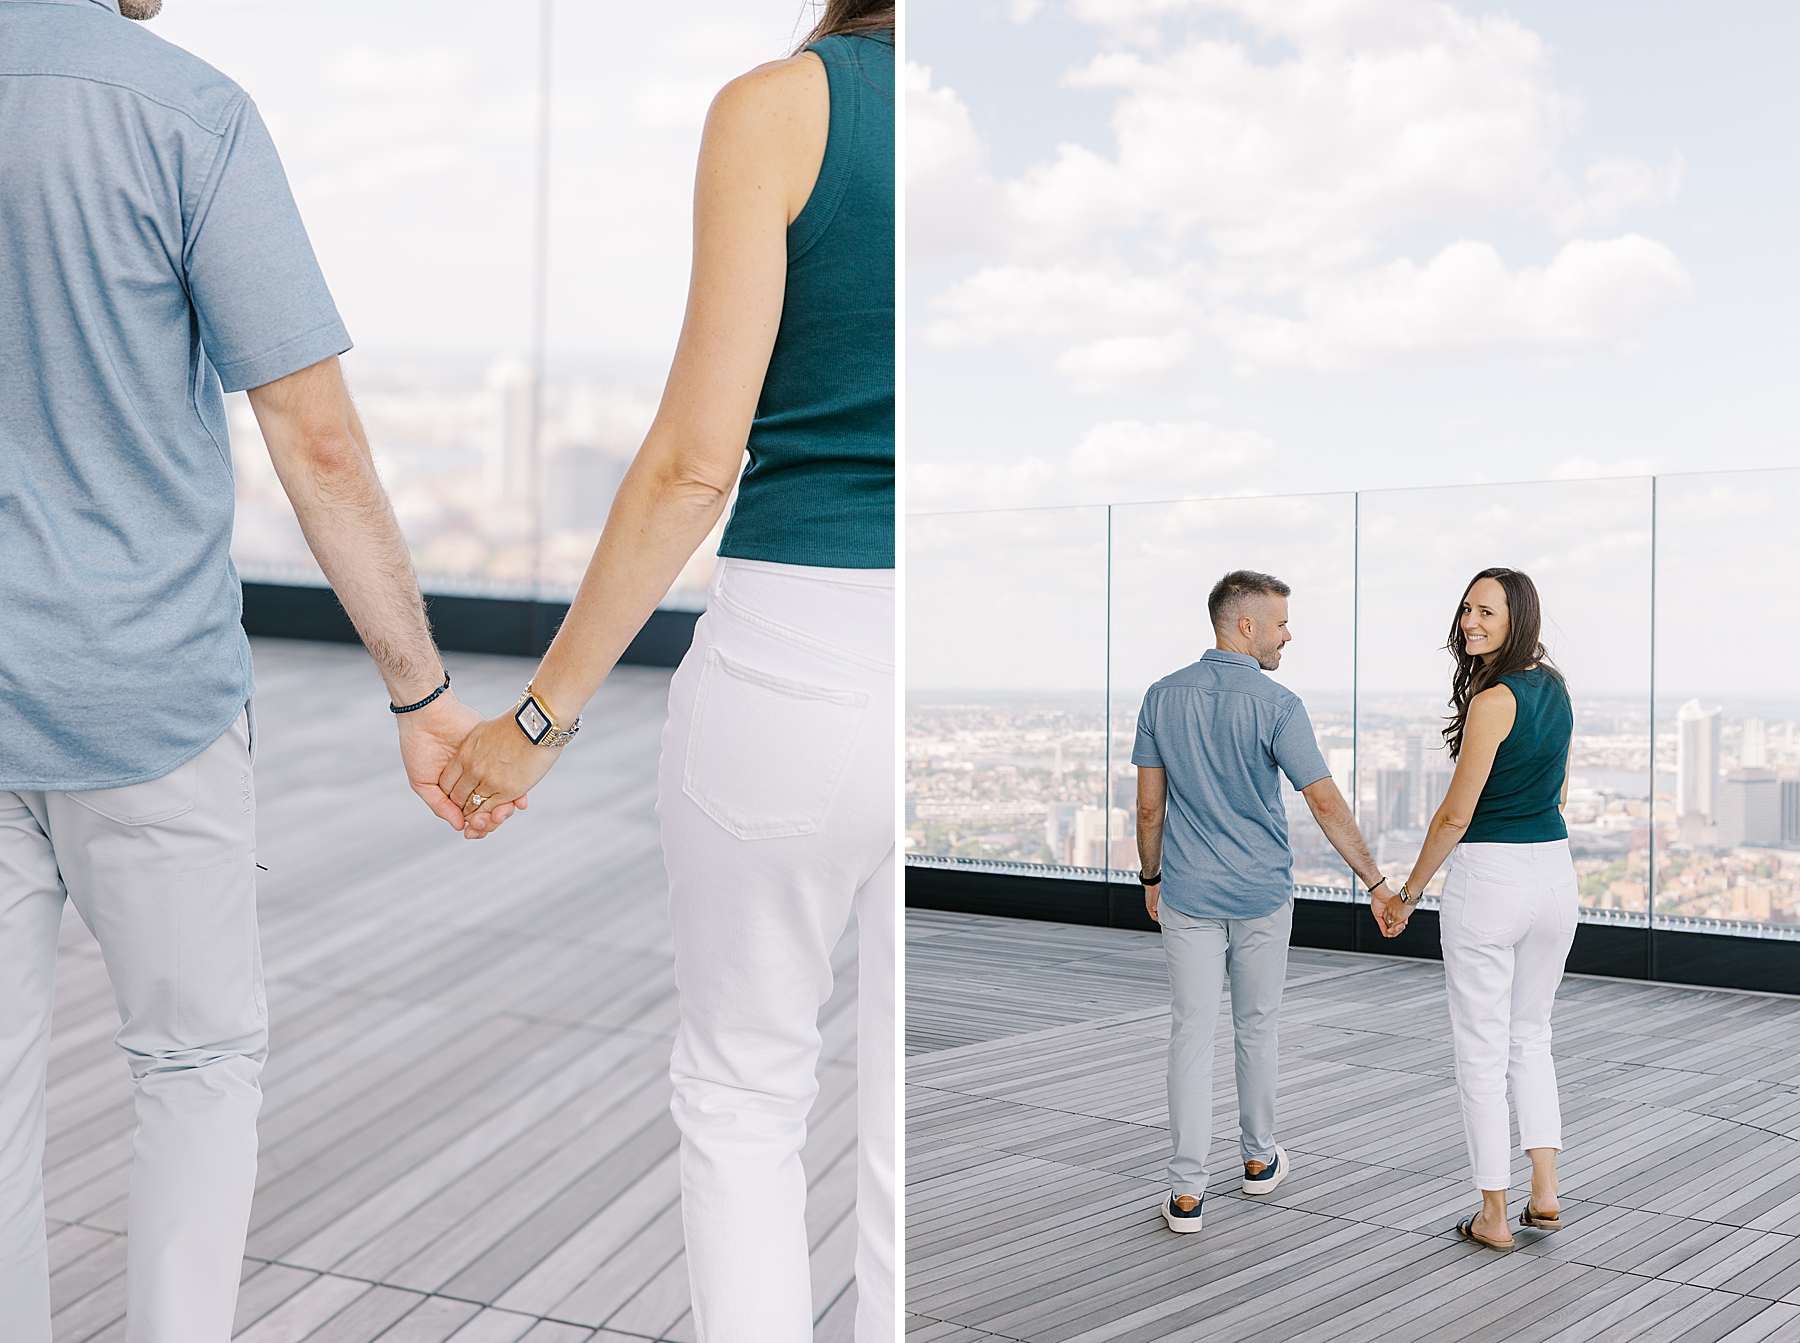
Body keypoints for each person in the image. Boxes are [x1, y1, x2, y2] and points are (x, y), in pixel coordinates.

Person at [0, 1, 506, 1336]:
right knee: (196, 1057)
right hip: (143, 687)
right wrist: (419, 691)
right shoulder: (183, 110)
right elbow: (313, 430)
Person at [438, 3, 895, 1337]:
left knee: (747, 1091)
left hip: (797, 654)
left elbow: (698, 460)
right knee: (891, 1127)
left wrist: (536, 717)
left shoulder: (785, 106)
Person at [1135, 570, 1407, 1233]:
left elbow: (1149, 807)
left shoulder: (1161, 696)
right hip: (1261, 894)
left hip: (1189, 892)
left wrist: (1151, 877)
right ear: (1246, 625)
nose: (1289, 633)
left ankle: (1186, 1193)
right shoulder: (1278, 704)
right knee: (1256, 1026)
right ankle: (1259, 1162)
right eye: (1281, 622)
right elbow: (1322, 799)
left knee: (1190, 1034)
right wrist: (1375, 881)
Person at [1379, 568, 1576, 1251]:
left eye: (1487, 611)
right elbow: (1561, 787)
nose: (1471, 622)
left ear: (1517, 616)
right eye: (1466, 609)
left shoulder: (1494, 699)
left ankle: (1493, 1213)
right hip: (1556, 875)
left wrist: (1407, 892)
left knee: (1481, 1052)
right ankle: (1544, 1191)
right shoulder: (1555, 688)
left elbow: (1455, 814)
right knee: (1532, 1035)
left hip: (1491, 878)